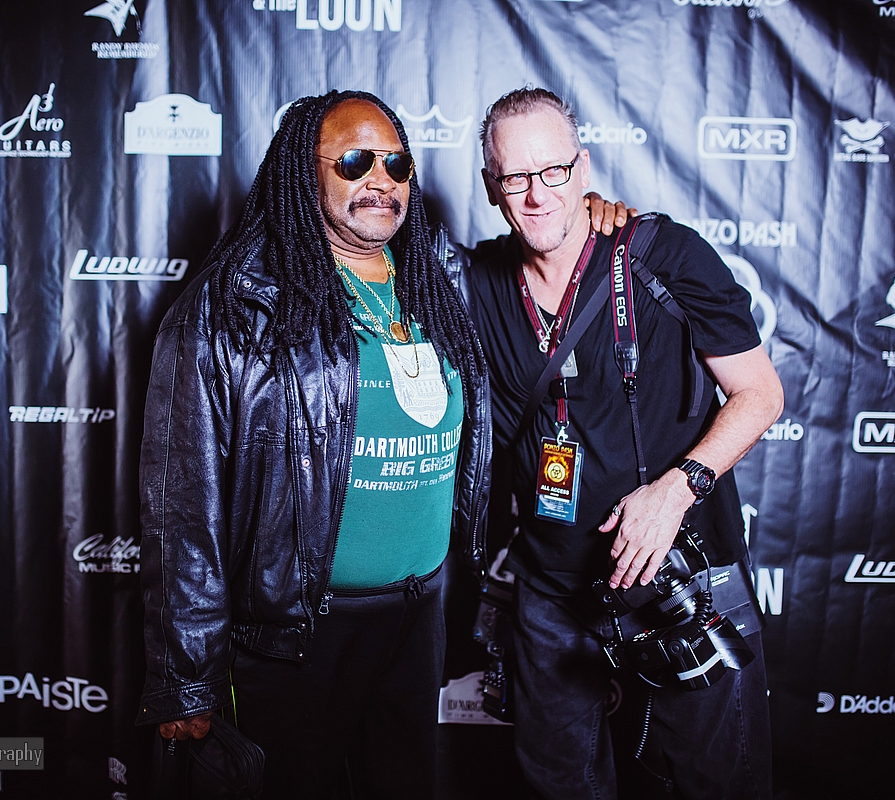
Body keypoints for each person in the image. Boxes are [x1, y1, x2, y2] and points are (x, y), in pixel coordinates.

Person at [134, 88, 626, 798]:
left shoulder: (439, 279)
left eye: (396, 165)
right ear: (302, 171)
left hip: (419, 619)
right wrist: (185, 677)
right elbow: (183, 506)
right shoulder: (234, 305)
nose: (380, 180)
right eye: (354, 162)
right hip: (296, 632)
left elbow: (547, 245)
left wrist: (591, 212)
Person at [460, 87, 784, 799]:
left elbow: (761, 394)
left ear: (583, 169)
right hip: (551, 593)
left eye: (554, 171)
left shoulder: (662, 256)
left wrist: (676, 490)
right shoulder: (475, 282)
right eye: (516, 177)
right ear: (490, 186)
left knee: (719, 785)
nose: (538, 195)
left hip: (680, 583)